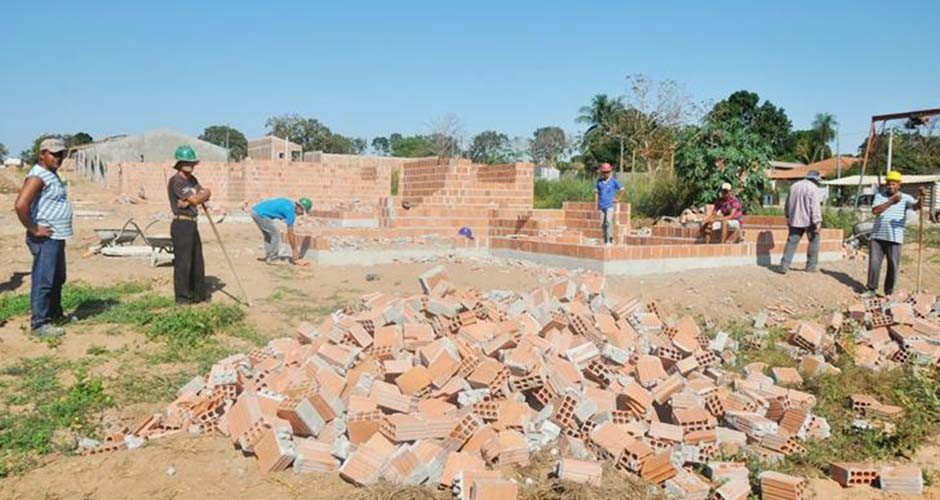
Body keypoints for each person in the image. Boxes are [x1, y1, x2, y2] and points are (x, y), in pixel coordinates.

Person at [14, 138, 73, 337]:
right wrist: (33, 228)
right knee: (44, 279)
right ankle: (39, 324)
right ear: (42, 155)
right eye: (53, 154)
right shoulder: (37, 176)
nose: (59, 158)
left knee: (57, 277)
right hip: (45, 238)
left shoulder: (51, 174)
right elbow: (21, 204)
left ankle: (54, 314)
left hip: (56, 237)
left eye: (61, 154)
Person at [866, 170, 924, 296]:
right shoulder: (879, 196)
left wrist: (921, 197)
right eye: (889, 184)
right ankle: (871, 289)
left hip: (895, 237)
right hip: (877, 236)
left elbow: (916, 207)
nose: (890, 186)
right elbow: (875, 211)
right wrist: (891, 202)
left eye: (893, 184)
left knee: (893, 266)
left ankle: (888, 292)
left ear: (899, 185)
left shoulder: (905, 198)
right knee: (874, 264)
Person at [167, 145, 211, 304]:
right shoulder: (176, 181)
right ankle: (182, 298)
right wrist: (198, 197)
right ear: (179, 163)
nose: (190, 165)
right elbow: (196, 199)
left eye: (192, 162)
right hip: (181, 224)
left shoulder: (192, 180)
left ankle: (197, 295)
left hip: (193, 223)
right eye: (186, 162)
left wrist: (205, 193)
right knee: (183, 263)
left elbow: (205, 193)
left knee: (197, 261)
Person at [779, 170, 824, 273]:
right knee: (814, 242)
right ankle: (811, 267)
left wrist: (787, 216)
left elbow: (787, 204)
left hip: (795, 219)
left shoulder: (794, 186)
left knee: (791, 243)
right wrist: (817, 221)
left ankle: (784, 266)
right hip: (810, 221)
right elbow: (815, 206)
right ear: (815, 179)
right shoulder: (813, 188)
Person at [251, 197, 312, 265]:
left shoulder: (289, 204)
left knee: (268, 235)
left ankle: (269, 256)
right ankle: (273, 258)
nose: (301, 214)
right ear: (300, 208)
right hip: (260, 214)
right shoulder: (290, 211)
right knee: (275, 234)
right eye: (302, 212)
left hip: (255, 211)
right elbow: (290, 233)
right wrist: (294, 250)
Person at [594, 163, 624, 246]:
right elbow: (596, 193)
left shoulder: (613, 181)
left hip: (610, 206)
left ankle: (610, 239)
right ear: (602, 172)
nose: (606, 173)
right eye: (604, 172)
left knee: (608, 221)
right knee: (602, 223)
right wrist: (596, 203)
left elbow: (622, 189)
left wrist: (618, 199)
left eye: (607, 172)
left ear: (610, 172)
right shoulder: (599, 182)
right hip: (601, 205)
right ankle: (605, 238)